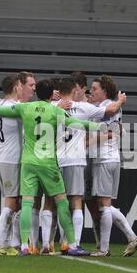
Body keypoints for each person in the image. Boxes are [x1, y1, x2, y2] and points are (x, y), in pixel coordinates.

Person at [0, 79, 104, 256]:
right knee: (62, 203)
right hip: (48, 163)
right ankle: (72, 245)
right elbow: (77, 123)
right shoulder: (56, 110)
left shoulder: (24, 108)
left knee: (27, 203)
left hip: (28, 162)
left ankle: (26, 246)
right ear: (52, 95)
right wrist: (100, 126)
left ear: (37, 93)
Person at [39, 77, 126, 254]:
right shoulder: (84, 108)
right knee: (76, 202)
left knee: (50, 202)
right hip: (76, 160)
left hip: (55, 160)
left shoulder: (52, 107)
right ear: (74, 91)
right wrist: (120, 101)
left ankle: (46, 245)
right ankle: (73, 244)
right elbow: (109, 110)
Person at [0, 72, 36, 252]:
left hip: (2, 157)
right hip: (12, 159)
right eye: (21, 85)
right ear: (17, 87)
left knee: (13, 201)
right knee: (11, 202)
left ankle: (3, 241)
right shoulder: (15, 107)